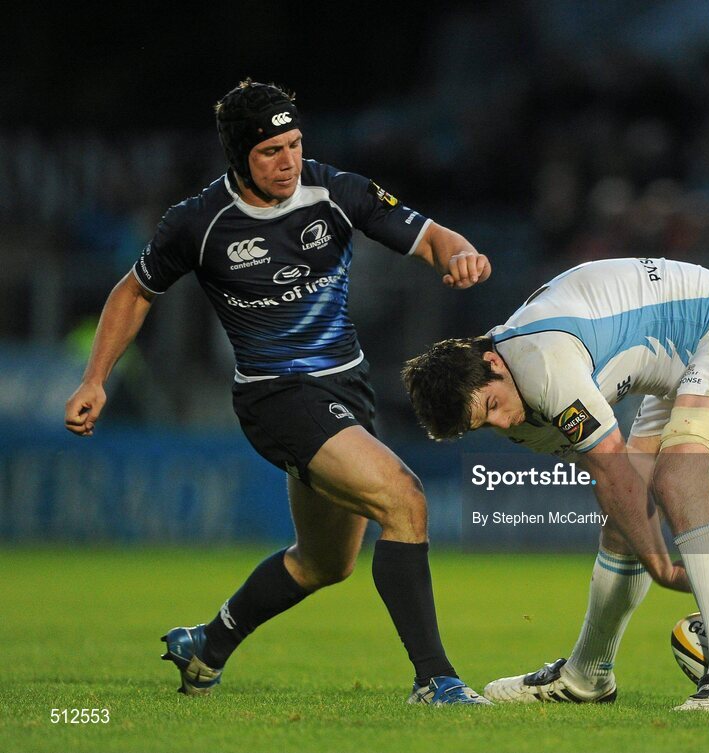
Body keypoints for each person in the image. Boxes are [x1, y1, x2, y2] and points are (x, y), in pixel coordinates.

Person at [63, 78, 494, 705]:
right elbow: (135, 291)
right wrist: (94, 378)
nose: (288, 161)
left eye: (293, 144)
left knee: (326, 564)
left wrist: (461, 255)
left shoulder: (336, 191)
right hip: (276, 397)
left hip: (346, 389)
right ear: (239, 157)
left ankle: (206, 646)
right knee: (405, 499)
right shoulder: (199, 222)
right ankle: (435, 680)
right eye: (270, 151)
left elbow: (429, 236)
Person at [402, 256, 709, 712]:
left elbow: (619, 476)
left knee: (680, 482)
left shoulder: (543, 365)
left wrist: (665, 568)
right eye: (481, 423)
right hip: (677, 367)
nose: (502, 421)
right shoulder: (514, 403)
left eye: (491, 403)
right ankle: (587, 676)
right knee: (622, 525)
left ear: (492, 360)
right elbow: (625, 496)